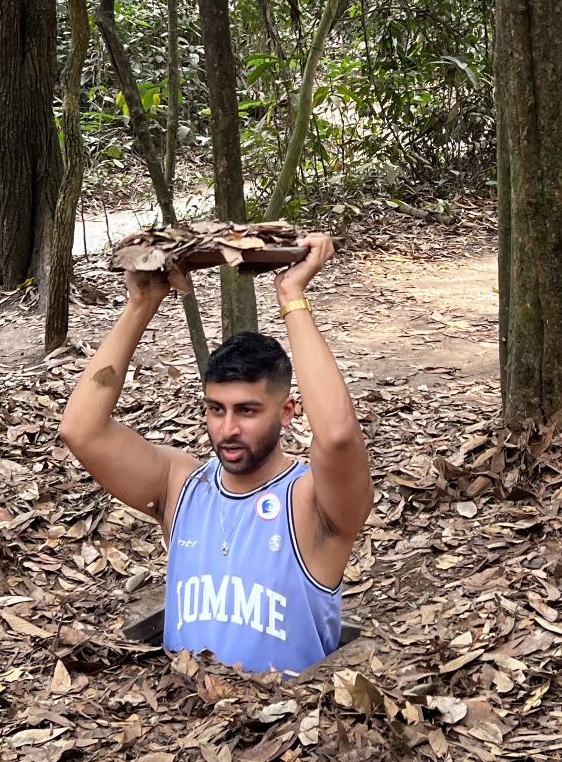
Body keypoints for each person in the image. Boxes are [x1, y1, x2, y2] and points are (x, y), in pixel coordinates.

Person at [58, 232, 371, 673]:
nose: (227, 429)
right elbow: (81, 430)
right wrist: (141, 304)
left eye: (247, 411)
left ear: (287, 412)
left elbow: (337, 436)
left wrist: (292, 296)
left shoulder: (311, 501)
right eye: (216, 409)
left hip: (285, 714)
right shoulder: (181, 486)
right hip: (181, 712)